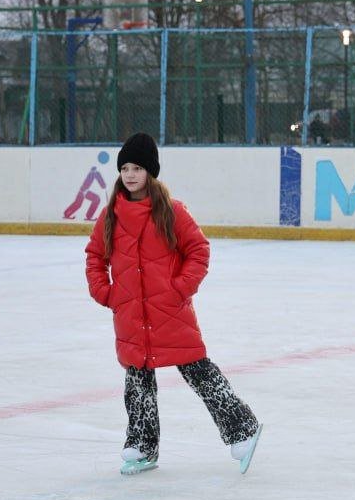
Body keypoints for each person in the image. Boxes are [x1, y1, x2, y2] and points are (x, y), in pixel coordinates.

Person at [85, 132, 262, 476]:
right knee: (137, 380)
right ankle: (142, 444)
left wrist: (179, 289)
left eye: (137, 167)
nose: (130, 175)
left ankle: (243, 428)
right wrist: (105, 292)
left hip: (170, 310)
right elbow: (95, 256)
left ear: (150, 172)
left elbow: (198, 250)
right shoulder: (111, 216)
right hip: (131, 314)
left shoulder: (171, 211)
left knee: (198, 369)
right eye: (125, 168)